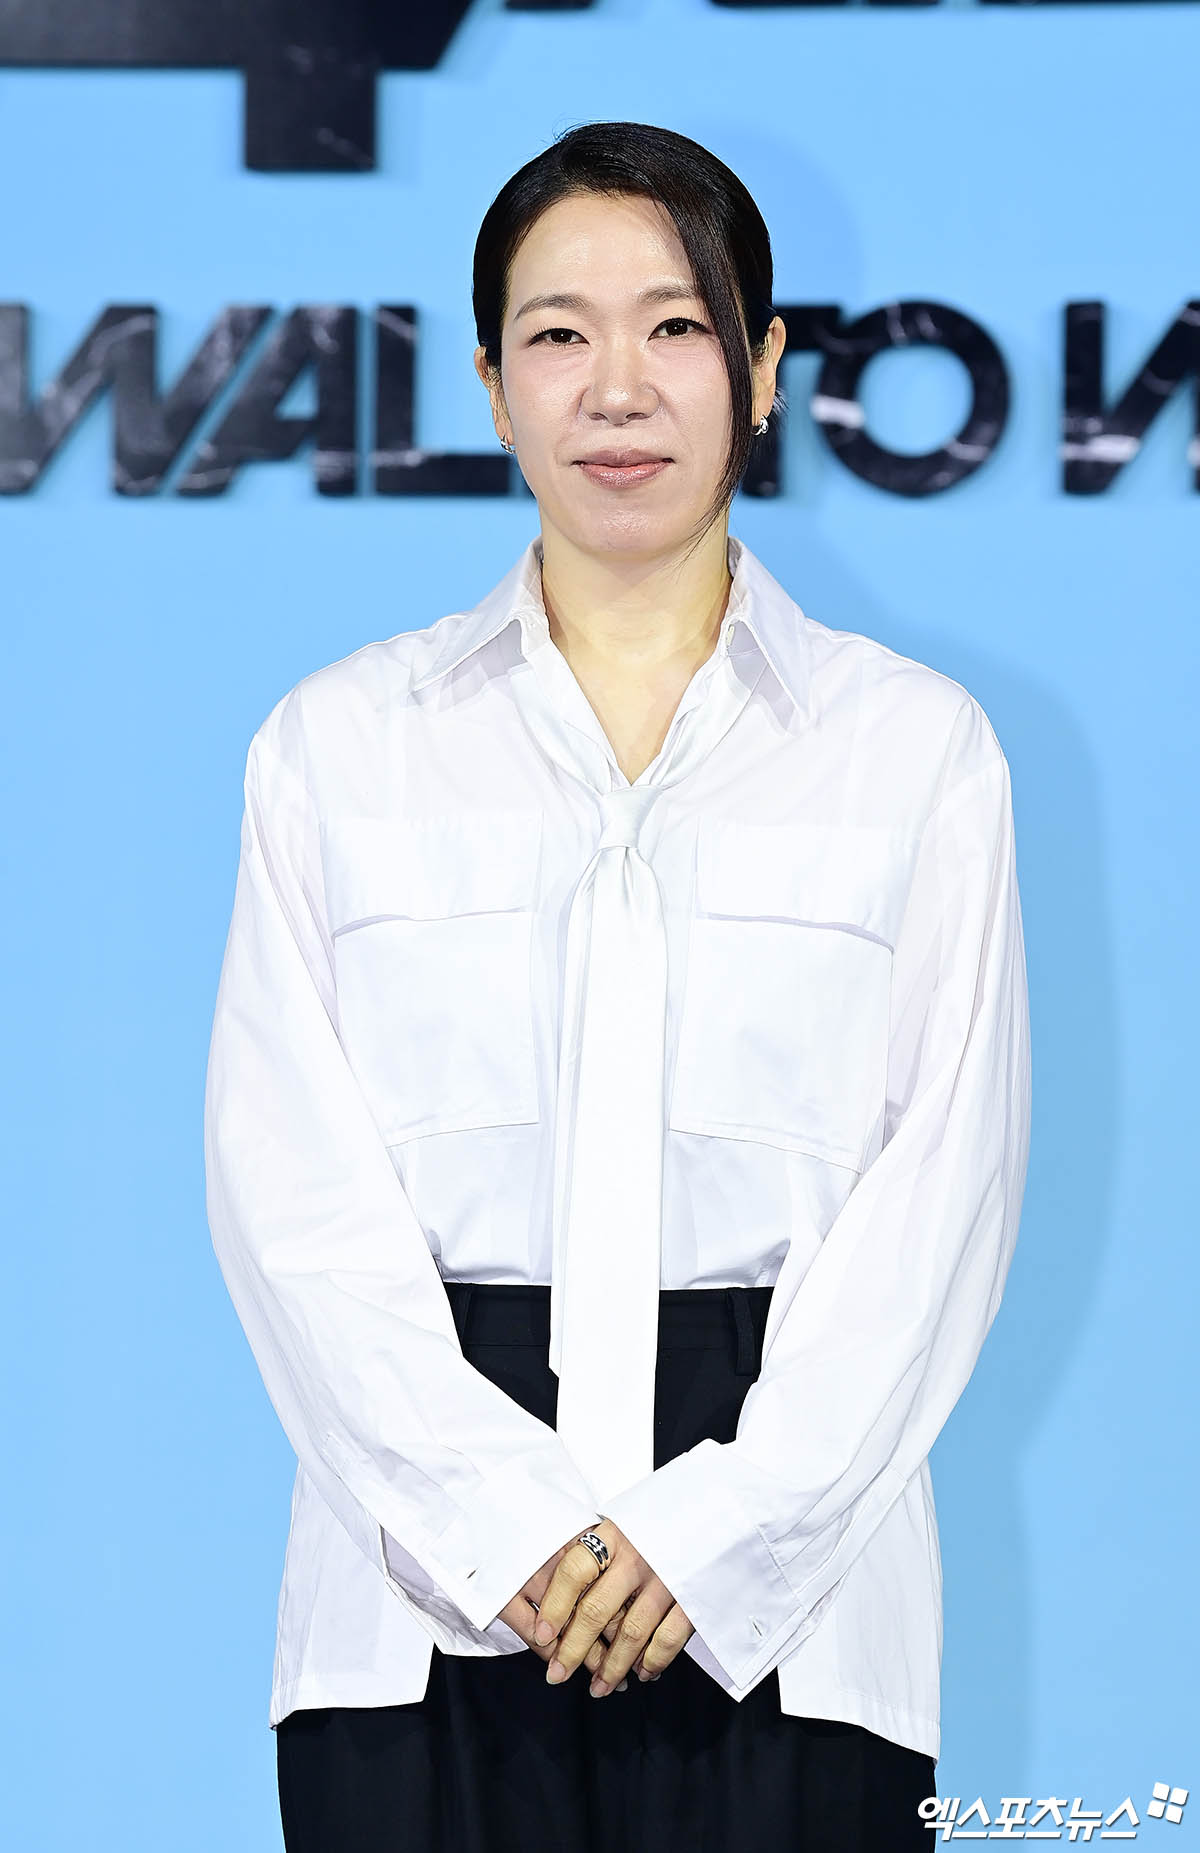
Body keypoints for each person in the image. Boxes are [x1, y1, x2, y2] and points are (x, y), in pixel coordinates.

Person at [203, 120, 1032, 1853]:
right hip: (415, 1599)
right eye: (560, 334)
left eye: (675, 325)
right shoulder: (337, 748)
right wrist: (504, 1523)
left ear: (765, 367)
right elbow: (292, 1206)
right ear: (492, 387)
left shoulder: (915, 752)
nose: (619, 387)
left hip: (796, 1599)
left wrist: (718, 1536)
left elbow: (940, 1200)